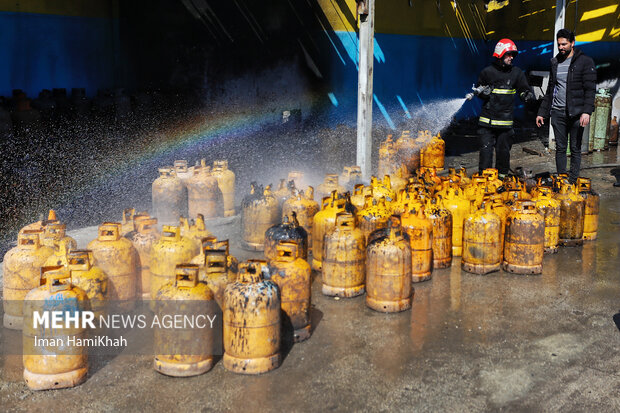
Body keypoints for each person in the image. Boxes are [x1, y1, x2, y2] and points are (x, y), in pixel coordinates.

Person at [536, 29, 596, 184]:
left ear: (572, 43)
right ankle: (563, 181)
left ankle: (573, 180)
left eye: (564, 44)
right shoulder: (555, 62)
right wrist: (542, 112)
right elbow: (550, 90)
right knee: (560, 148)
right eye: (559, 44)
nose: (561, 47)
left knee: (575, 148)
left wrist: (586, 112)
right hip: (557, 112)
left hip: (576, 113)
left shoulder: (585, 62)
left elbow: (590, 89)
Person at [470, 38, 534, 177]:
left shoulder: (517, 73)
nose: (511, 58)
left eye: (513, 55)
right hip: (487, 123)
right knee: (486, 153)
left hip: (505, 124)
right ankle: (485, 181)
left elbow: (523, 89)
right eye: (508, 54)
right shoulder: (487, 72)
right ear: (500, 54)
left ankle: (501, 181)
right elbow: (480, 92)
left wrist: (526, 95)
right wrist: (484, 94)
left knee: (503, 154)